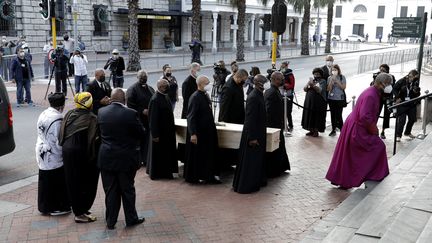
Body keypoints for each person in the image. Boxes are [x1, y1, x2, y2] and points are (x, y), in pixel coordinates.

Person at [325, 73, 392, 189]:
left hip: (356, 125)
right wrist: (374, 130)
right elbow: (365, 116)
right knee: (378, 146)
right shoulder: (372, 95)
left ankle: (347, 179)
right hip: (358, 128)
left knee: (349, 156)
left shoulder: (373, 92)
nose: (390, 86)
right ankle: (372, 175)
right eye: (388, 83)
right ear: (382, 84)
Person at [98, 88, 145, 230]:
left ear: (111, 99)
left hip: (107, 157)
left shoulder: (102, 112)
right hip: (126, 158)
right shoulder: (130, 113)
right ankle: (131, 218)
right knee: (127, 190)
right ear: (124, 99)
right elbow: (141, 133)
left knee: (110, 190)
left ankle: (110, 221)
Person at [59, 92, 99, 223]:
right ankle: (80, 213)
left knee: (73, 182)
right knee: (87, 182)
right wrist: (93, 158)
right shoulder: (92, 118)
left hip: (67, 151)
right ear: (89, 104)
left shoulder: (70, 114)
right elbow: (93, 140)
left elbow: (61, 134)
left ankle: (81, 209)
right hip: (80, 153)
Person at [35, 92, 70, 216]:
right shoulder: (58, 118)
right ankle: (56, 207)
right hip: (52, 153)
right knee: (55, 180)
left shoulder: (44, 113)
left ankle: (44, 206)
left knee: (45, 179)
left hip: (41, 149)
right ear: (61, 105)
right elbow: (58, 140)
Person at [233, 74, 268, 194]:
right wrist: (252, 138)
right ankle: (247, 185)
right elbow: (250, 119)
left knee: (255, 161)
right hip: (252, 135)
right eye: (265, 82)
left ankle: (255, 182)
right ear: (259, 84)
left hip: (258, 132)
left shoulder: (258, 95)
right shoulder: (253, 97)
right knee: (250, 162)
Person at [184, 75, 220, 184]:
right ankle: (196, 176)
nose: (209, 85)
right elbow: (191, 117)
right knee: (199, 156)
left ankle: (208, 175)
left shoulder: (205, 95)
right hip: (199, 132)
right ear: (200, 84)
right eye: (207, 83)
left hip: (207, 131)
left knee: (207, 155)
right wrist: (193, 133)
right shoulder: (195, 97)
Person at [147, 79, 178, 179]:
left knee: (166, 154)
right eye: (166, 86)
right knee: (159, 155)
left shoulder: (165, 96)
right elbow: (153, 119)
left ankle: (166, 172)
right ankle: (159, 173)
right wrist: (155, 135)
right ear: (160, 87)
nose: (168, 87)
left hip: (167, 132)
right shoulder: (155, 100)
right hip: (160, 133)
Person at [126, 70, 155, 166]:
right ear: (138, 78)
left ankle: (146, 159)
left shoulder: (150, 89)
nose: (143, 79)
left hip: (148, 120)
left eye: (145, 77)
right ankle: (138, 160)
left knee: (147, 141)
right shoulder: (132, 89)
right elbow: (130, 105)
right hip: (138, 120)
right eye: (142, 77)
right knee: (138, 141)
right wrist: (141, 110)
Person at [264, 72, 291, 177]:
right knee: (274, 148)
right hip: (273, 126)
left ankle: (280, 167)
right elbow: (268, 111)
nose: (283, 81)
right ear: (275, 80)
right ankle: (273, 170)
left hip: (277, 125)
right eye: (281, 79)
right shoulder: (271, 93)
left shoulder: (274, 91)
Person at [393, 69, 421, 142]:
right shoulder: (402, 81)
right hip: (402, 102)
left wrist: (416, 92)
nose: (413, 79)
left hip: (411, 103)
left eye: (415, 78)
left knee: (412, 119)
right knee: (402, 120)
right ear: (410, 75)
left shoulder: (415, 82)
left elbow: (417, 93)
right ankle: (398, 135)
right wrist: (397, 97)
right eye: (413, 77)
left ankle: (407, 132)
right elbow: (394, 89)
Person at [301, 68, 328, 137]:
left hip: (318, 102)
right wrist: (308, 84)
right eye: (315, 74)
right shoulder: (312, 80)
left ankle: (316, 130)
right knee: (309, 115)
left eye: (318, 74)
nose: (316, 75)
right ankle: (311, 130)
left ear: (321, 74)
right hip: (309, 101)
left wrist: (313, 85)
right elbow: (304, 89)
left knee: (316, 116)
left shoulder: (323, 81)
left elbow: (319, 90)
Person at [373, 64, 396, 139]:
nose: (381, 71)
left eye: (383, 70)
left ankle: (383, 131)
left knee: (387, 115)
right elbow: (373, 85)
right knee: (376, 113)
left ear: (387, 70)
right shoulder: (378, 76)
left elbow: (392, 87)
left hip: (388, 98)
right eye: (380, 69)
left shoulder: (391, 77)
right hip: (379, 97)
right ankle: (373, 128)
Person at [327, 64, 347, 136]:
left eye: (335, 70)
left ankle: (342, 130)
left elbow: (343, 87)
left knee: (339, 115)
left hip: (339, 99)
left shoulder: (342, 77)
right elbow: (328, 89)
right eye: (332, 70)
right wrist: (331, 82)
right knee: (332, 114)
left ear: (338, 70)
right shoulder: (329, 78)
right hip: (331, 99)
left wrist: (337, 81)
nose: (334, 71)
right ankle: (333, 129)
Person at [280, 61, 295, 132]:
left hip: (288, 95)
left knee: (288, 112)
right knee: (282, 111)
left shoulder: (290, 75)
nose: (282, 68)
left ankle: (290, 125)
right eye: (281, 67)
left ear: (286, 66)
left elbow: (292, 85)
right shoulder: (280, 74)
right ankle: (284, 125)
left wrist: (285, 86)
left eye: (283, 67)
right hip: (281, 95)